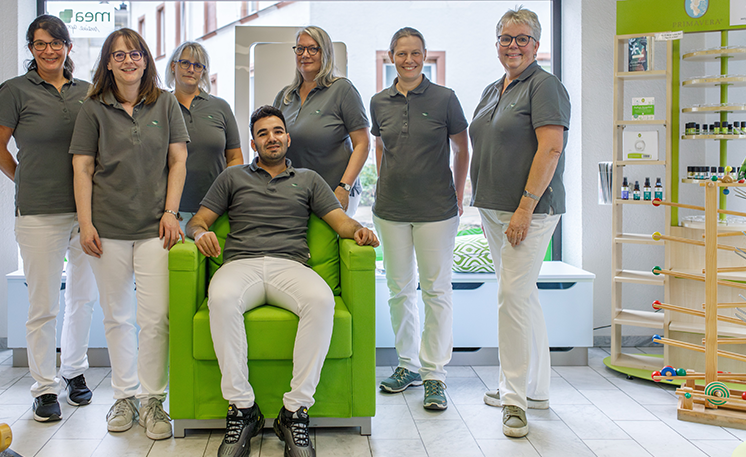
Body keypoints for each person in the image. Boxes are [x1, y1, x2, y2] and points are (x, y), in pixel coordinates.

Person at [186, 105, 378, 457]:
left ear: (287, 138)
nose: (271, 138)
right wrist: (199, 235)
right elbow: (197, 221)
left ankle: (294, 412)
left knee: (321, 302)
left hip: (290, 266)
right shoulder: (232, 177)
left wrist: (360, 231)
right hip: (240, 264)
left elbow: (340, 221)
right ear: (254, 142)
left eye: (277, 131)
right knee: (222, 298)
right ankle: (243, 409)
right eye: (263, 133)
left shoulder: (308, 179)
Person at [70, 28, 189, 440]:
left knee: (156, 318)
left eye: (135, 53)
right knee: (117, 317)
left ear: (146, 59)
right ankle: (124, 396)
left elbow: (178, 161)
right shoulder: (93, 108)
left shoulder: (166, 102)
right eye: (119, 55)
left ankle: (153, 400)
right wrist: (86, 224)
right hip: (108, 230)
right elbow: (82, 168)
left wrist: (172, 212)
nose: (128, 60)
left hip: (157, 229)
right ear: (108, 62)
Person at [0, 15, 97, 422]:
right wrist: (23, 178)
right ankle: (44, 388)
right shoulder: (14, 90)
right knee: (43, 305)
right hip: (38, 212)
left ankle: (75, 373)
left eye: (55, 42)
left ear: (67, 46)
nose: (48, 50)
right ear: (31, 50)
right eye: (39, 44)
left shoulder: (87, 92)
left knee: (83, 299)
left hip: (88, 212)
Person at [469, 7, 570, 437]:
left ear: (536, 44)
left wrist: (526, 207)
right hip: (494, 208)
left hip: (528, 211)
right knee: (522, 295)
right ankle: (537, 387)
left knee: (511, 296)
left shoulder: (545, 86)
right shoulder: (496, 88)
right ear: (497, 44)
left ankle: (513, 399)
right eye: (506, 38)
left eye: (522, 38)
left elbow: (550, 149)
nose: (514, 45)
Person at [371, 28, 469, 411]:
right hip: (391, 210)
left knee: (436, 291)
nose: (408, 60)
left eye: (415, 53)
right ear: (390, 57)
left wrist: (459, 195)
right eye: (401, 53)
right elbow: (379, 146)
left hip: (436, 211)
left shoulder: (445, 99)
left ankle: (434, 375)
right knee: (399, 290)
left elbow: (463, 149)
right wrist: (384, 184)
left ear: (425, 56)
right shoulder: (379, 101)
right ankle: (408, 365)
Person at [273, 26, 370, 217]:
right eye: (300, 49)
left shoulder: (342, 90)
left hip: (335, 191)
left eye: (312, 49)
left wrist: (344, 187)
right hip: (295, 193)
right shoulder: (285, 96)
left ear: (324, 52)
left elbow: (363, 144)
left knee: (327, 246)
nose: (305, 55)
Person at [165, 41, 243, 227]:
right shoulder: (161, 106)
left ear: (203, 72)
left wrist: (225, 197)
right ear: (173, 66)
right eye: (185, 63)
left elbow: (234, 158)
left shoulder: (220, 107)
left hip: (214, 212)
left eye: (198, 65)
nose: (191, 69)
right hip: (171, 213)